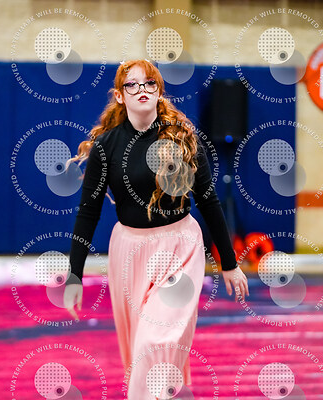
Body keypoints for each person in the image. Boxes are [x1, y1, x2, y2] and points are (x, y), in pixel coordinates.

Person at [64, 59, 249, 399]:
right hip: (129, 252)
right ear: (120, 96)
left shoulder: (183, 139)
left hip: (180, 248)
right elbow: (88, 213)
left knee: (155, 340)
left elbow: (209, 202)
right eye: (132, 84)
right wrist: (75, 273)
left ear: (159, 91)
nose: (142, 90)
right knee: (139, 349)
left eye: (150, 83)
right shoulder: (106, 147)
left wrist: (229, 263)